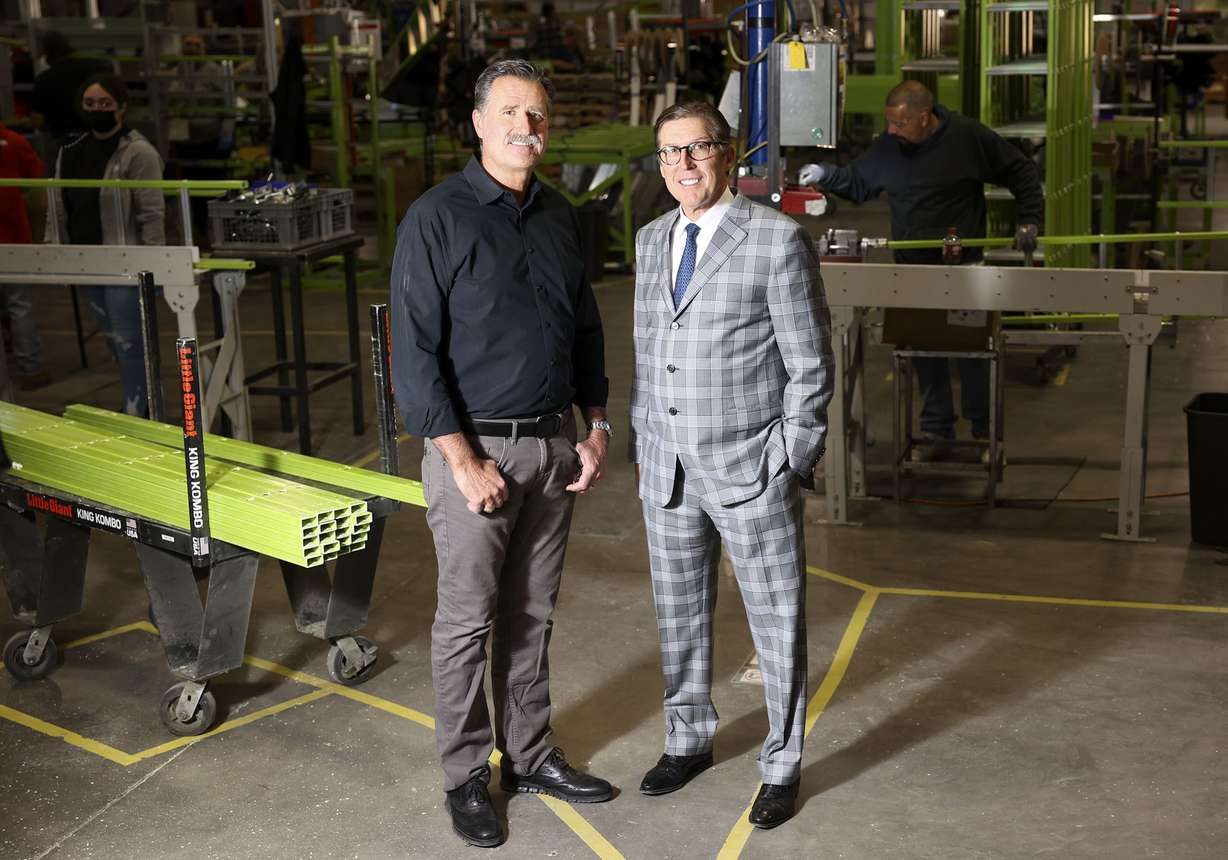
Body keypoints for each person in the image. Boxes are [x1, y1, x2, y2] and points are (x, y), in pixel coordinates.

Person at [390, 59, 613, 849]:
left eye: (538, 114)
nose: (527, 126)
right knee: (467, 622)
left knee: (532, 614)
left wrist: (595, 426)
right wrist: (461, 460)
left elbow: (584, 328)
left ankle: (528, 755)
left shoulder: (558, 216)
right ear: (479, 124)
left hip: (553, 448)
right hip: (476, 452)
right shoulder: (436, 218)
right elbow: (414, 356)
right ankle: (464, 776)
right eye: (511, 112)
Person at [629, 101, 834, 830]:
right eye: (670, 153)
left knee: (776, 622)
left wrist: (790, 456)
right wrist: (644, 442)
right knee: (678, 616)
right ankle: (687, 739)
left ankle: (781, 763)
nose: (683, 165)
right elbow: (649, 350)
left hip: (752, 468)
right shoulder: (652, 239)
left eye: (698, 149)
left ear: (728, 153)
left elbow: (811, 363)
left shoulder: (775, 240)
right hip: (668, 469)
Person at [800, 80, 1042, 455]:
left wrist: (1029, 221)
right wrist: (825, 174)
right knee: (923, 354)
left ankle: (985, 432)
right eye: (890, 123)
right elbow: (859, 182)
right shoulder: (892, 146)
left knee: (974, 352)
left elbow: (1021, 171)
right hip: (912, 271)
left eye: (900, 123)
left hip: (963, 271)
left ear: (925, 117)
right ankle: (937, 430)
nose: (892, 130)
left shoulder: (966, 138)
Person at [47, 74, 165, 417]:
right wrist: (55, 250)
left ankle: (139, 412)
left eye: (104, 103)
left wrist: (155, 266)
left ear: (122, 107)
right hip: (86, 260)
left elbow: (152, 212)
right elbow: (57, 203)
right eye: (89, 103)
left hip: (125, 263)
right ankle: (139, 402)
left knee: (130, 343)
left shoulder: (138, 152)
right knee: (115, 340)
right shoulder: (70, 149)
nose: (96, 109)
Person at [0, 120, 49, 390]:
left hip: (14, 236)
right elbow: (36, 177)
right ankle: (30, 369)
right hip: (14, 238)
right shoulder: (15, 142)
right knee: (21, 306)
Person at [30, 32, 109, 147]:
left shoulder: (44, 79)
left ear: (47, 54)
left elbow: (38, 121)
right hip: (99, 137)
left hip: (64, 141)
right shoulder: (97, 68)